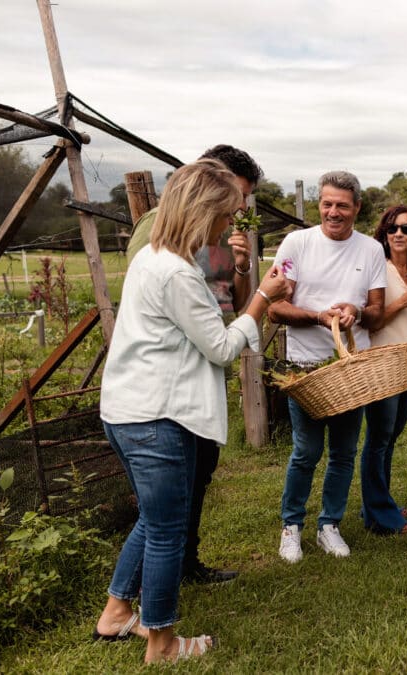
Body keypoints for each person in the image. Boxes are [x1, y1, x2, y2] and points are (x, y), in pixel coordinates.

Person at [95, 159, 289, 662]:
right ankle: (161, 642)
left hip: (126, 412)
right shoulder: (178, 273)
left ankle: (116, 614)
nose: (228, 226)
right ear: (203, 211)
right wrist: (263, 298)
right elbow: (222, 348)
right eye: (225, 214)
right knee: (166, 531)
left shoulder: (150, 259)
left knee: (151, 521)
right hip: (157, 418)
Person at [126, 144, 262, 585]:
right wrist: (259, 304)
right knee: (167, 502)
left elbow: (225, 306)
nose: (239, 212)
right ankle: (160, 576)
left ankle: (183, 563)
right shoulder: (159, 232)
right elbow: (174, 307)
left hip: (196, 379)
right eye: (237, 199)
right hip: (166, 388)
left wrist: (240, 267)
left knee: (198, 477)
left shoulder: (215, 237)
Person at [270, 171, 386, 562]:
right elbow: (275, 308)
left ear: (356, 208)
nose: (333, 212)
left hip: (351, 368)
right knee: (305, 450)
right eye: (327, 204)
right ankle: (291, 526)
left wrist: (355, 310)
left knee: (343, 452)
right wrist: (318, 317)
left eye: (342, 205)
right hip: (306, 367)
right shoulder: (297, 243)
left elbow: (378, 312)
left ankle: (329, 525)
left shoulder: (370, 249)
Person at [360, 205, 407, 534]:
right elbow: (371, 322)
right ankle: (384, 516)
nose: (399, 234)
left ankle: (377, 507)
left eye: (406, 229)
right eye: (392, 228)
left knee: (390, 439)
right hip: (384, 361)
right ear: (384, 233)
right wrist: (403, 301)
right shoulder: (378, 267)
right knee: (378, 440)